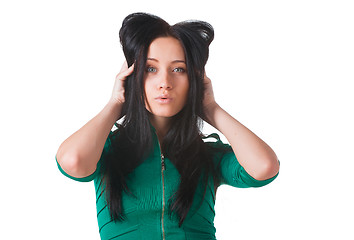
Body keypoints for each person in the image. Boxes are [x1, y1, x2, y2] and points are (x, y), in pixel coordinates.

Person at [56, 12, 280, 240]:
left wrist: (211, 108)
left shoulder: (208, 154)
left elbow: (264, 166)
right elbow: (73, 161)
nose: (165, 83)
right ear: (132, 78)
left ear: (194, 81)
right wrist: (116, 104)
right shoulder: (108, 150)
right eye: (150, 69)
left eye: (178, 69)